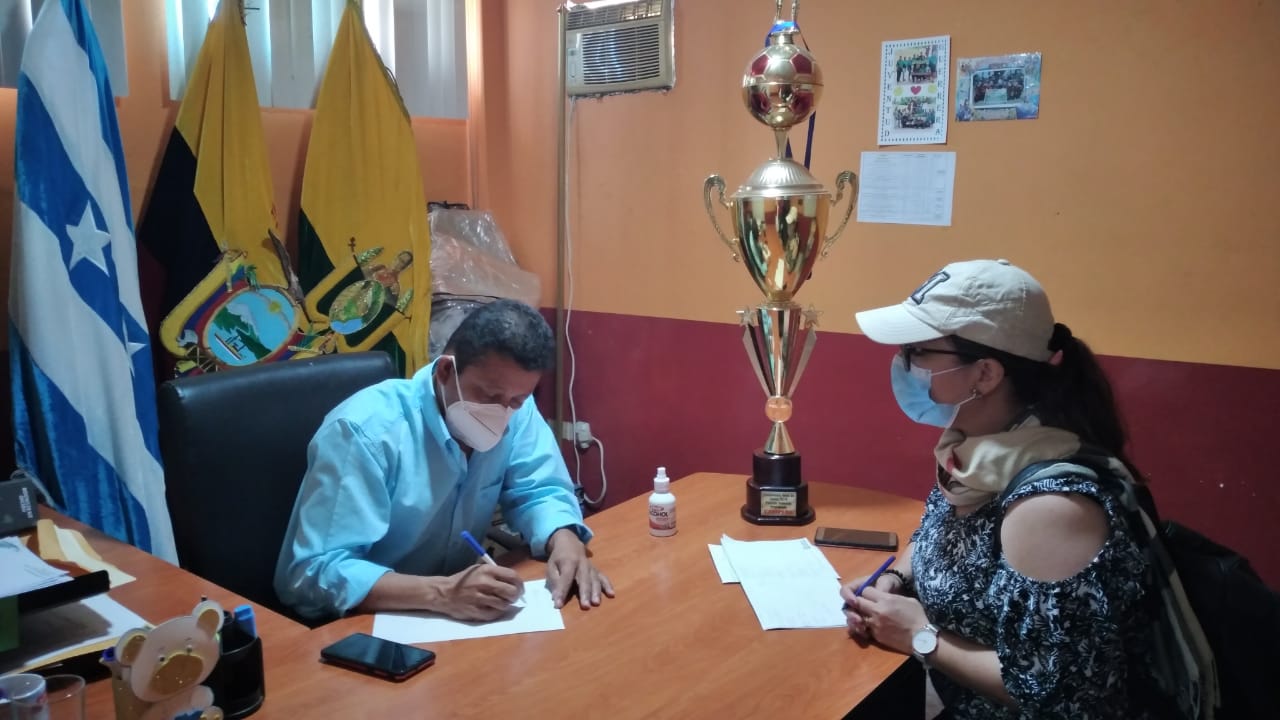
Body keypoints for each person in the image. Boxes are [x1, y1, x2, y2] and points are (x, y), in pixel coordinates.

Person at [840, 259, 1182, 718]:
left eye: (919, 350)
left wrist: (921, 636)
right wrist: (896, 580)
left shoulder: (1051, 507)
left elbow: (1063, 698)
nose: (904, 363)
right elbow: (938, 536)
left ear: (985, 374)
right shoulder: (980, 453)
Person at [275, 299, 613, 621]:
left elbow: (539, 490)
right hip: (364, 621)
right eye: (490, 396)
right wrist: (441, 593)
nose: (502, 413)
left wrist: (563, 537)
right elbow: (313, 571)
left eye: (517, 399)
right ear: (446, 371)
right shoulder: (365, 432)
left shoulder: (515, 411)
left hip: (460, 612)